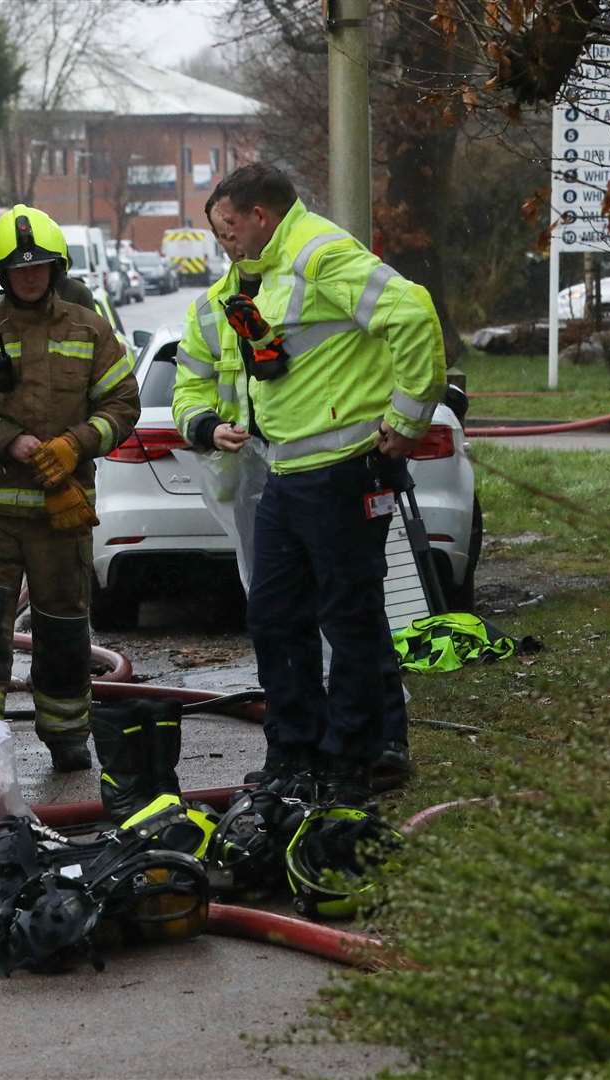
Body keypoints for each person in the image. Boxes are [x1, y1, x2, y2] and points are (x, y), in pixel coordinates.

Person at [189, 164, 444, 804]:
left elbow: (412, 314)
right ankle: (294, 750)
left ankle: (353, 754)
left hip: (344, 470)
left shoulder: (319, 254)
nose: (225, 242)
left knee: (348, 615)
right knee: (274, 616)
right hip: (288, 472)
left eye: (228, 228)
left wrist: (407, 421)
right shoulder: (261, 277)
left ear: (259, 216)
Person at [0, 206, 141, 770]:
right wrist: (8, 441)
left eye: (41, 267)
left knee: (65, 634)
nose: (31, 276)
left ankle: (67, 740)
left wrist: (75, 443)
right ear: (1, 274)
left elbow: (124, 404)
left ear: (57, 269)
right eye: (19, 269)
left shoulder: (90, 329)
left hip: (60, 520)